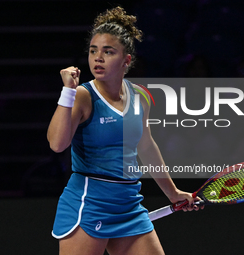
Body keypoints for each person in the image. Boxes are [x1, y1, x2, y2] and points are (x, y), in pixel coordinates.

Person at [47, 6, 202, 255]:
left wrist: (173, 193)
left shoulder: (140, 97)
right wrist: (68, 92)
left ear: (126, 60)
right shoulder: (82, 96)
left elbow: (147, 146)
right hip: (90, 204)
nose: (98, 58)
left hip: (128, 204)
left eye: (108, 52)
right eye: (93, 51)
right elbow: (57, 144)